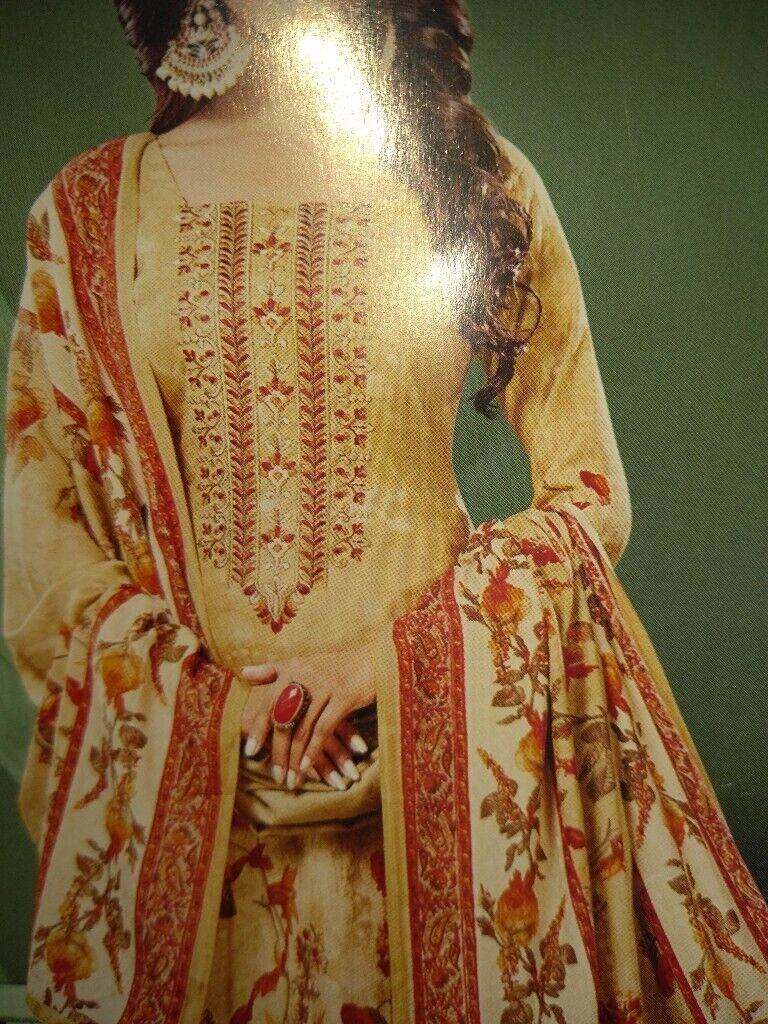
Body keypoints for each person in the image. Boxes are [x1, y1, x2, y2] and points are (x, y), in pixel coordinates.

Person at [4, 1, 767, 1022]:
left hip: (444, 792)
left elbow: (589, 495)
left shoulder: (475, 180)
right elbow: (44, 535)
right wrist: (225, 717)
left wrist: (389, 669)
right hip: (202, 825)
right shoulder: (92, 213)